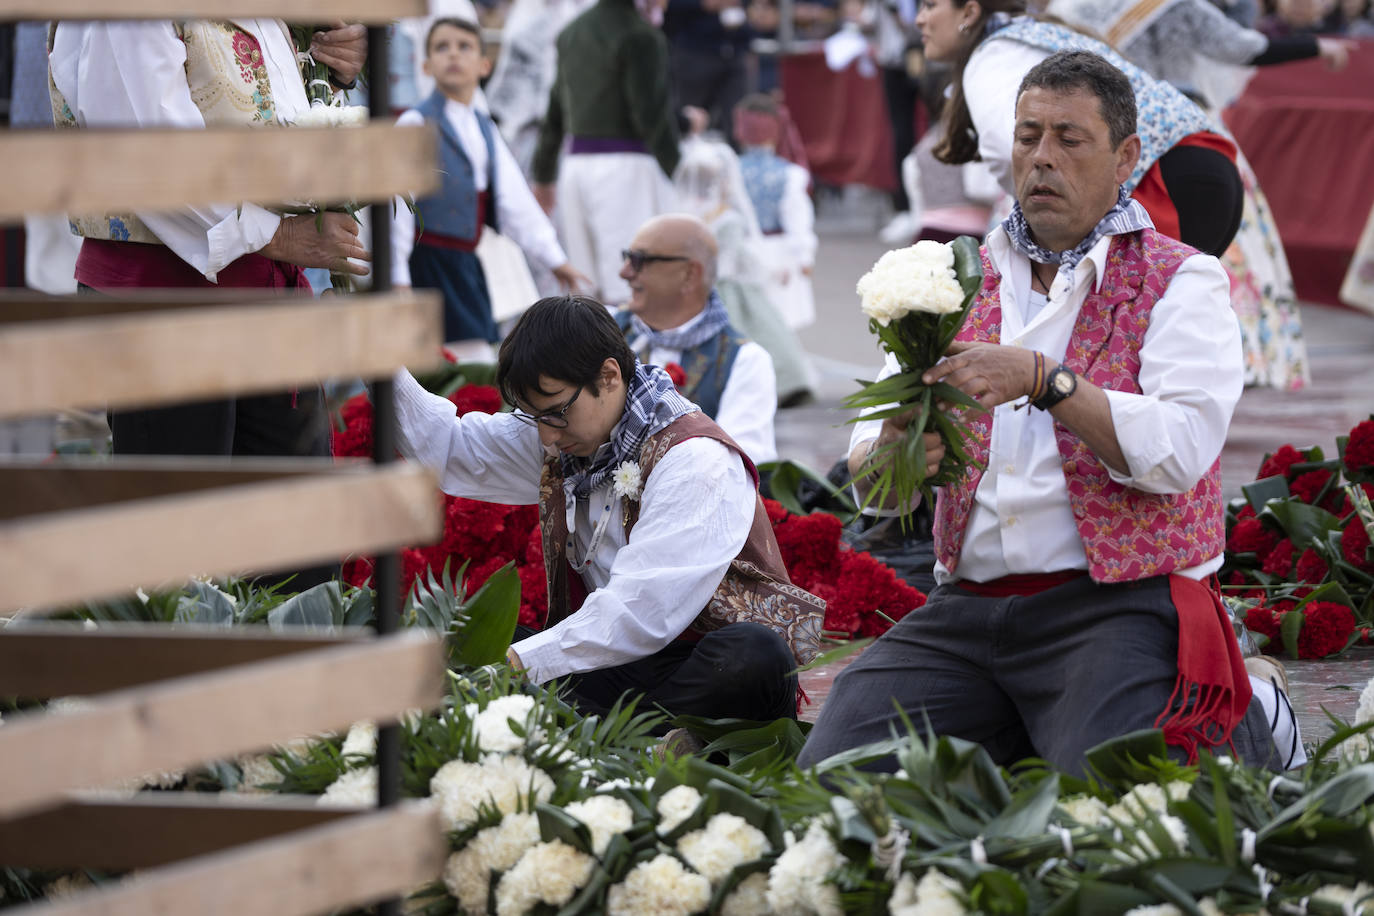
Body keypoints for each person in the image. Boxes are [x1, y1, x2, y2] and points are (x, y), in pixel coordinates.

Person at [798, 51, 1281, 775]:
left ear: (1125, 158)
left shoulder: (1184, 279)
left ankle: (1261, 715)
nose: (1042, 158)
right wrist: (894, 456)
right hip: (965, 608)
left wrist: (1044, 379)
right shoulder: (948, 279)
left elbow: (1180, 453)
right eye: (1028, 137)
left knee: (1113, 802)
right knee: (835, 775)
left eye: (1068, 138)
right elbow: (869, 477)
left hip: (1114, 605)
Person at [391, 295, 825, 722]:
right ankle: (641, 736)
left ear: (609, 375)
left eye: (556, 412)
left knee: (753, 657)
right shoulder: (563, 434)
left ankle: (629, 733)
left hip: (697, 667)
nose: (546, 436)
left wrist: (518, 663)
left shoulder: (696, 460)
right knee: (468, 643)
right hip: (616, 667)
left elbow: (643, 611)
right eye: (533, 417)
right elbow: (449, 447)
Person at [49, 20, 371, 589]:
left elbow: (247, 109)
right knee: (179, 557)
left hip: (262, 296)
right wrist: (282, 237)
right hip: (164, 300)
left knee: (299, 549)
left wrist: (325, 71)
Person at [914, 0, 1309, 389]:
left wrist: (1033, 218)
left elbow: (1006, 149)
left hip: (1164, 177)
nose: (920, 19)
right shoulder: (1026, 37)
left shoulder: (994, 52)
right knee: (1135, 326)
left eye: (930, 5)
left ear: (968, 12)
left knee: (1121, 324)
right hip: (1203, 164)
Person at [391, 18, 589, 354]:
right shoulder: (414, 123)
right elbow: (396, 207)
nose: (453, 54)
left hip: (465, 267)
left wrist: (555, 259)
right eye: (442, 47)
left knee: (476, 362)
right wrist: (397, 277)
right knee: (439, 366)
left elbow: (516, 203)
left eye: (464, 46)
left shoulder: (484, 128)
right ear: (425, 65)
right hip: (424, 267)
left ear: (485, 65)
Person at [531, 0, 681, 304]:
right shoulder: (641, 36)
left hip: (575, 167)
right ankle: (626, 352)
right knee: (627, 282)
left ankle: (591, 350)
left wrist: (544, 173)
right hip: (625, 168)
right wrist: (678, 170)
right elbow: (649, 114)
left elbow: (556, 110)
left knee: (587, 286)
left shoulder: (572, 32)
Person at [616, 214, 778, 463]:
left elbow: (739, 464)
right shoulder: (606, 332)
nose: (624, 272)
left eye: (638, 260)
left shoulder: (745, 360)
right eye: (626, 257)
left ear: (689, 274)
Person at [673, 139, 820, 408]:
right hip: (727, 289)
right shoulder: (727, 217)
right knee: (755, 337)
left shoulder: (689, 216)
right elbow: (742, 256)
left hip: (701, 288)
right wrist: (772, 271)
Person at [733, 93, 818, 331]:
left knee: (748, 323)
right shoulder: (789, 174)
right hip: (779, 252)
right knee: (780, 324)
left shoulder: (731, 170)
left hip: (742, 252)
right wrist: (804, 256)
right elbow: (797, 218)